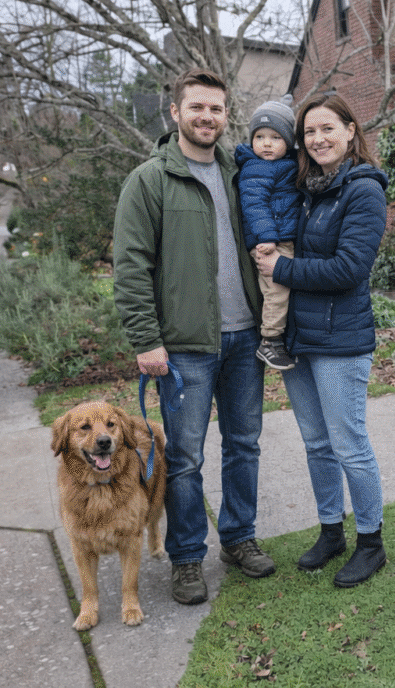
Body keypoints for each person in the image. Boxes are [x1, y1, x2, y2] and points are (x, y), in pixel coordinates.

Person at [113, 67, 275, 605]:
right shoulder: (150, 180)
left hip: (245, 338)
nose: (208, 116)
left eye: (217, 108)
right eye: (197, 107)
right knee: (184, 457)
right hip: (184, 348)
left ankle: (239, 538)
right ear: (175, 113)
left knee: (244, 446)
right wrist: (146, 339)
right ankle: (186, 558)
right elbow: (131, 266)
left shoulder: (241, 171)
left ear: (226, 115)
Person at [253, 93, 389, 588]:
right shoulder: (307, 189)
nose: (318, 139)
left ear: (351, 130)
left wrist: (282, 267)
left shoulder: (363, 190)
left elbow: (350, 269)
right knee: (316, 444)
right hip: (301, 340)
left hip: (341, 341)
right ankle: (331, 531)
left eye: (327, 128)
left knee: (349, 444)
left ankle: (370, 542)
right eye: (309, 132)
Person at [235, 95, 302, 371]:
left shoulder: (284, 164)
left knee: (285, 288)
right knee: (277, 289)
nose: (266, 143)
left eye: (275, 137)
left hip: (282, 235)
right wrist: (267, 237)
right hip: (269, 241)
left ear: (288, 141)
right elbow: (254, 204)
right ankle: (270, 340)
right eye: (260, 136)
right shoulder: (256, 167)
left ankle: (279, 335)